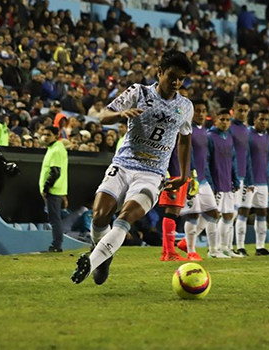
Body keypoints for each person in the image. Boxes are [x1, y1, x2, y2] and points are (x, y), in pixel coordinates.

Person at [71, 50, 193, 285]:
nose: (177, 83)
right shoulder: (139, 92)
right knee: (99, 215)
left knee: (126, 217)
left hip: (153, 173)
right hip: (124, 164)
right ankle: (103, 256)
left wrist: (183, 175)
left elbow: (185, 139)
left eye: (181, 79)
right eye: (172, 76)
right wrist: (120, 114)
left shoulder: (185, 106)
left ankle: (91, 262)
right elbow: (102, 116)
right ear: (159, 73)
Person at [177, 100, 221, 259]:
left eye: (203, 111)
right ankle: (191, 251)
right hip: (191, 179)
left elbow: (207, 159)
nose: (201, 114)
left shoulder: (205, 132)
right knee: (193, 215)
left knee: (213, 214)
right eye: (198, 111)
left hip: (203, 179)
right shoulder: (187, 130)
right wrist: (188, 177)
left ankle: (185, 242)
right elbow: (183, 154)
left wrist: (210, 180)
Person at [235, 110, 269, 256]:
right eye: (261, 119)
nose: (264, 122)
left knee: (262, 212)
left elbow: (266, 161)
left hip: (262, 181)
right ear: (255, 120)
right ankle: (240, 247)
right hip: (248, 180)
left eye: (266, 120)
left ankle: (260, 247)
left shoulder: (267, 137)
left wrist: (268, 183)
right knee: (243, 211)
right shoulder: (248, 135)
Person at [208, 109, 239, 258]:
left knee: (229, 215)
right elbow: (206, 162)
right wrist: (210, 183)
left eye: (227, 120)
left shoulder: (229, 137)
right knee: (214, 216)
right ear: (215, 120)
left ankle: (226, 248)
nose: (225, 122)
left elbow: (232, 161)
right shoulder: (210, 137)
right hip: (216, 183)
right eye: (222, 119)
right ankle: (213, 250)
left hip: (228, 183)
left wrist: (235, 178)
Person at [39, 126, 69, 252]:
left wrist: (46, 188)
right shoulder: (56, 148)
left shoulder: (55, 150)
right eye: (44, 134)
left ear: (56, 135)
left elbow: (55, 172)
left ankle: (57, 245)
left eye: (49, 134)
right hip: (57, 190)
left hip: (53, 190)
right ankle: (57, 244)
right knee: (55, 218)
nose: (45, 137)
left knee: (54, 219)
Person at [158, 142, 189, 261]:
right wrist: (166, 175)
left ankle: (166, 251)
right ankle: (169, 252)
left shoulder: (182, 132)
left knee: (175, 211)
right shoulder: (170, 132)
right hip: (173, 175)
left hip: (182, 175)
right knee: (171, 210)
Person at [229, 97, 253, 258]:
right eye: (240, 110)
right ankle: (223, 246)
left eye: (245, 111)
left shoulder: (246, 129)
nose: (243, 113)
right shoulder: (228, 127)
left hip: (244, 175)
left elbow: (247, 155)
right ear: (233, 110)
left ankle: (239, 246)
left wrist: (249, 179)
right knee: (228, 213)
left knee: (240, 212)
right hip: (231, 176)